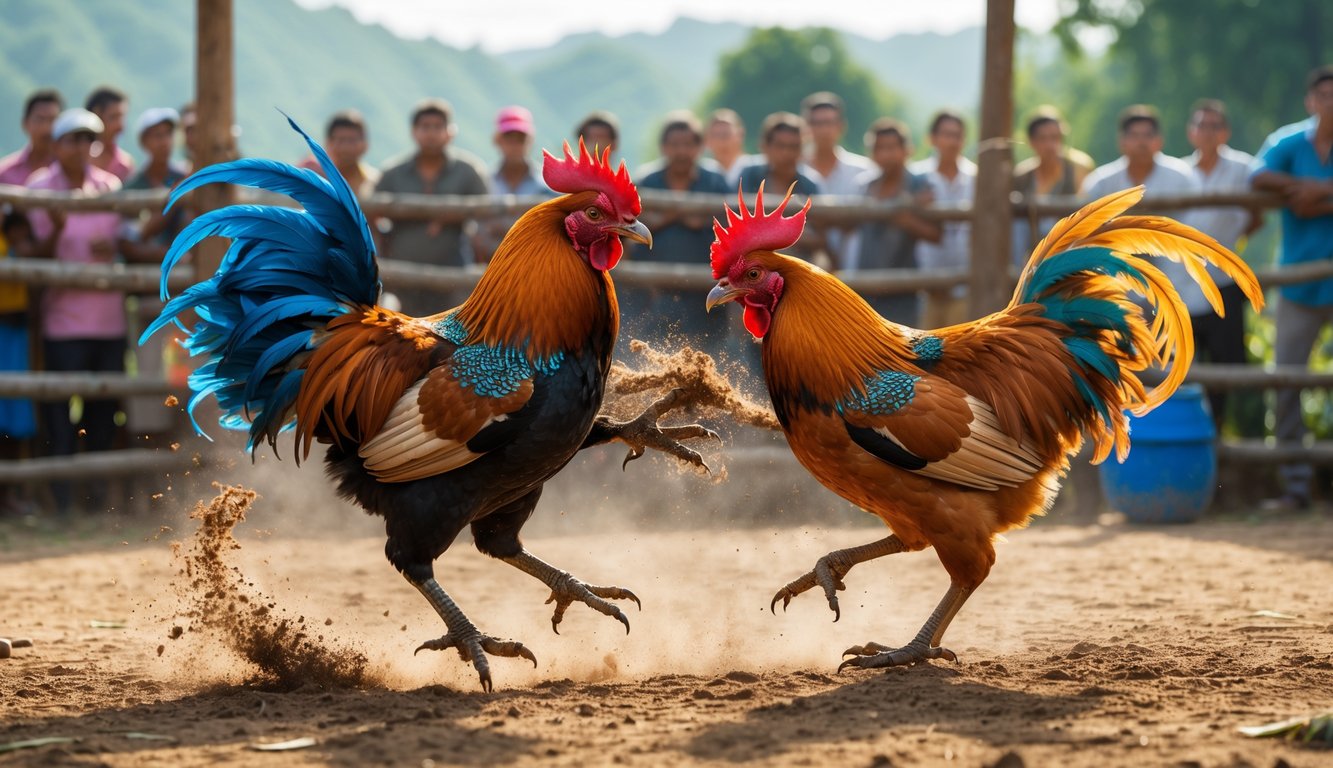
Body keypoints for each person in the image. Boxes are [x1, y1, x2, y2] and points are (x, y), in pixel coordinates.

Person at [25, 109, 126, 514]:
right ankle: (63, 500)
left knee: (103, 413)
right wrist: (56, 229)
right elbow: (34, 252)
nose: (82, 147)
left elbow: (122, 240)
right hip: (62, 319)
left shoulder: (110, 186)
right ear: (57, 145)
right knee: (60, 414)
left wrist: (113, 249)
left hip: (108, 319)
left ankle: (95, 500)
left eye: (89, 139)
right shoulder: (39, 188)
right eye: (74, 139)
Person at [1250, 65, 1333, 511]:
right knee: (1286, 381)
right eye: (1324, 94)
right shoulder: (1289, 141)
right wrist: (1303, 186)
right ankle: (1296, 485)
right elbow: (1257, 176)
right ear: (1310, 101)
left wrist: (1321, 191)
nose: (1331, 102)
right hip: (1299, 285)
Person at [1180, 98, 1263, 429]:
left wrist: (1231, 246)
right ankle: (1187, 429)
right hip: (1183, 281)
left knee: (1226, 362)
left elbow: (1257, 216)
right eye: (1202, 125)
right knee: (1182, 359)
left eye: (1214, 126)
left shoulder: (1244, 168)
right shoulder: (1180, 172)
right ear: (1191, 132)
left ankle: (1219, 430)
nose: (1208, 133)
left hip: (1224, 281)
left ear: (1225, 132)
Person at [374, 98, 490, 315]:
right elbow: (372, 215)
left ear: (450, 132)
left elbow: (486, 215)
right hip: (400, 283)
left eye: (438, 127)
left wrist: (450, 217)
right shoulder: (392, 173)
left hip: (455, 281)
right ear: (414, 131)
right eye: (425, 127)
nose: (431, 133)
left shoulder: (469, 171)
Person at [120, 108, 192, 444]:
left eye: (167, 133)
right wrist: (175, 253)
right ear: (144, 141)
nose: (163, 141)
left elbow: (137, 243)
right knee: (148, 370)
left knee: (186, 370)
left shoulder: (186, 179)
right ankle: (151, 446)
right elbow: (128, 246)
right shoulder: (134, 186)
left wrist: (148, 245)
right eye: (156, 135)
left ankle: (185, 439)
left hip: (182, 295)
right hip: (148, 293)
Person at [632, 111, 731, 351]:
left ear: (699, 147)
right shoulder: (646, 181)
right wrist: (685, 213)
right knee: (653, 352)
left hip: (706, 289)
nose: (681, 151)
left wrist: (665, 216)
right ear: (664, 147)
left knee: (708, 353)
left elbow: (728, 223)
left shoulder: (715, 181)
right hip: (653, 291)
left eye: (688, 144)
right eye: (675, 144)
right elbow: (635, 222)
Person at [845, 118, 940, 325]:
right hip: (865, 287)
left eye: (892, 147)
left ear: (907, 150)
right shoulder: (865, 186)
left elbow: (936, 234)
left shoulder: (919, 184)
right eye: (880, 148)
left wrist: (907, 221)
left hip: (904, 289)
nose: (886, 154)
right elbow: (847, 226)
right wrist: (904, 207)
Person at [910, 110, 976, 327]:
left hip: (966, 281)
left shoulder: (976, 178)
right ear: (933, 139)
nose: (952, 141)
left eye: (957, 135)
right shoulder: (917, 178)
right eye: (947, 135)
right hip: (924, 284)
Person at [801, 92, 875, 270]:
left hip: (854, 268)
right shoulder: (794, 171)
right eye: (817, 123)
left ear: (841, 126)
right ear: (807, 128)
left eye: (829, 123)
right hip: (804, 270)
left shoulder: (864, 171)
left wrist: (820, 218)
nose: (824, 130)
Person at [1011, 105, 1095, 259]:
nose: (1050, 145)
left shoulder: (1079, 168)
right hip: (1033, 253)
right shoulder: (1022, 176)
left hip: (1073, 250)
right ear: (1031, 142)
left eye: (1055, 138)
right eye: (1043, 139)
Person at [738, 112, 823, 262]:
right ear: (765, 146)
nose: (787, 153)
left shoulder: (810, 184)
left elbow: (819, 237)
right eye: (780, 146)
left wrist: (767, 232)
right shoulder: (750, 176)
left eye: (794, 146)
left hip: (796, 269)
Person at [473, 105, 553, 263]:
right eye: (509, 138)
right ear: (497, 140)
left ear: (530, 141)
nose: (515, 145)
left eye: (520, 139)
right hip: (490, 262)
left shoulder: (547, 184)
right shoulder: (484, 180)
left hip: (535, 262)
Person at [0, 210, 38, 517]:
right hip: (6, 331)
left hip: (14, 334)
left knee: (12, 417)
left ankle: (8, 493)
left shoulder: (17, 246)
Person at [297, 109, 381, 197]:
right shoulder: (310, 173)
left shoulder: (373, 181)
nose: (346, 148)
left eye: (352, 140)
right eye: (341, 140)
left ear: (365, 145)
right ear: (328, 143)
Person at [0, 89, 64, 186]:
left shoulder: (73, 171)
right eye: (40, 119)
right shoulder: (4, 173)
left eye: (53, 120)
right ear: (25, 123)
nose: (46, 128)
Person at [85, 86, 133, 181]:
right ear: (96, 115)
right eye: (113, 117)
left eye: (122, 118)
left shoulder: (125, 165)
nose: (120, 126)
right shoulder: (76, 160)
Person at [704, 109, 755, 189]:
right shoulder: (704, 174)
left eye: (726, 135)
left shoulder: (755, 170)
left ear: (740, 135)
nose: (721, 142)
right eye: (715, 136)